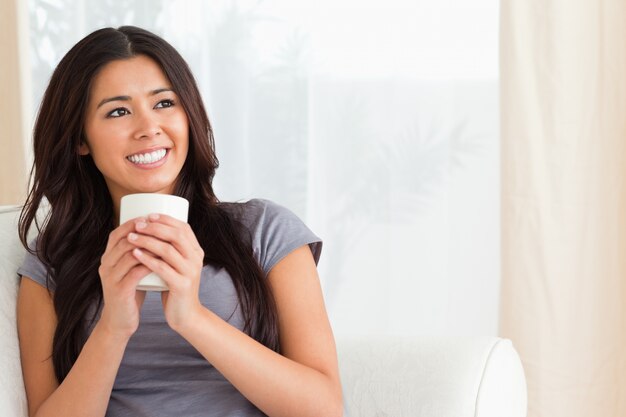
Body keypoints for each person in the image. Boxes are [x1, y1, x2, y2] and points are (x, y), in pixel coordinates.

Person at [16, 26, 342, 417]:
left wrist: (191, 317)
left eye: (164, 103)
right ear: (80, 140)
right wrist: (114, 327)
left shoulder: (265, 231)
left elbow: (323, 408)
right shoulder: (51, 263)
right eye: (118, 111)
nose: (148, 127)